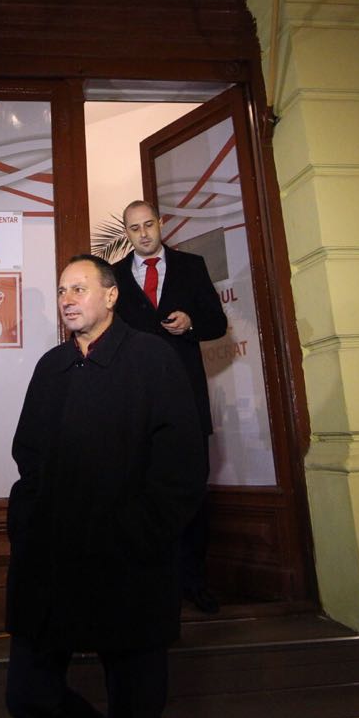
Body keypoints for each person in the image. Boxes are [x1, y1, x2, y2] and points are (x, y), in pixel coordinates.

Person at [5, 255, 205, 718]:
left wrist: (136, 533)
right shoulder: (51, 366)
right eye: (61, 291)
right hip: (51, 565)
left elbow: (182, 467)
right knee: (29, 697)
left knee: (136, 713)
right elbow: (28, 457)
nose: (67, 300)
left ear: (112, 296)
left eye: (79, 289)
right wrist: (27, 526)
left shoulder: (152, 358)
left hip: (130, 568)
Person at [111, 199, 228, 612]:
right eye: (134, 228)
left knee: (192, 492)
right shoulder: (115, 277)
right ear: (126, 233)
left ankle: (194, 581)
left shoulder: (191, 266)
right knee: (139, 494)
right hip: (135, 404)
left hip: (185, 400)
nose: (143, 234)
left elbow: (218, 323)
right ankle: (148, 584)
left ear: (161, 224)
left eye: (149, 225)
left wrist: (191, 323)